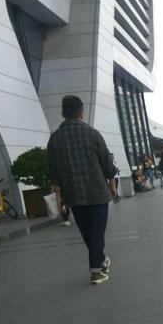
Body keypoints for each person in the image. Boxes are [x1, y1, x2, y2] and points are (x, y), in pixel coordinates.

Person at [47, 95, 116, 285]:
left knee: (88, 234)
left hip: (74, 195)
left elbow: (53, 170)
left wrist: (60, 196)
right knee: (97, 233)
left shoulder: (55, 138)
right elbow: (107, 162)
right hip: (97, 193)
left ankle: (101, 260)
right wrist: (112, 182)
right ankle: (96, 271)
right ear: (81, 112)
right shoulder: (92, 133)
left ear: (63, 112)